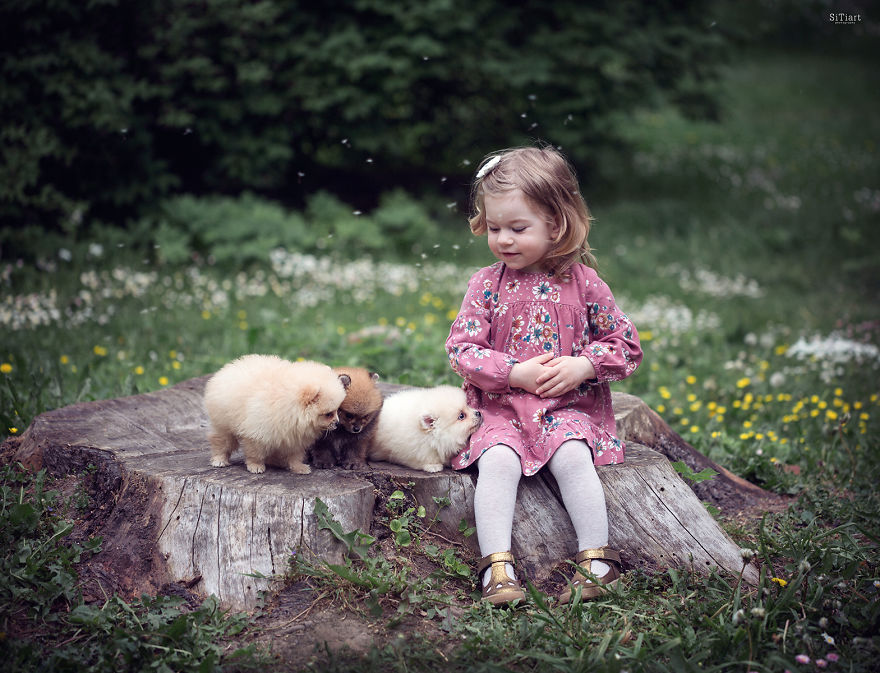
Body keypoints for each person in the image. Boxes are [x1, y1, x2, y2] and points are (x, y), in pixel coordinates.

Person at [445, 146, 642, 606]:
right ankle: (498, 567)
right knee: (497, 463)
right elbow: (462, 350)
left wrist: (584, 365)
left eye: (518, 228)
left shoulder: (585, 283)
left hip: (564, 409)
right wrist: (513, 372)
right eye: (494, 228)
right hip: (501, 410)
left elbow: (626, 345)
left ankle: (597, 561)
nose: (504, 240)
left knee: (573, 456)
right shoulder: (485, 284)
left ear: (556, 224)